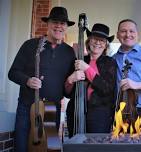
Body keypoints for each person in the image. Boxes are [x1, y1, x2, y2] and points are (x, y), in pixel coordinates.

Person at [8, 7, 76, 152]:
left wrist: (71, 81)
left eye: (63, 23)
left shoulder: (69, 52)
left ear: (66, 27)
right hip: (27, 107)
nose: (59, 26)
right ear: (48, 24)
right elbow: (12, 73)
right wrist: (27, 80)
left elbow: (68, 90)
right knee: (21, 146)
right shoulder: (30, 45)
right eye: (55, 22)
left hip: (53, 110)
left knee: (48, 149)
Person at [65, 23, 117, 137]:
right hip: (76, 111)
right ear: (89, 41)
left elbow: (106, 88)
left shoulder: (110, 62)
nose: (98, 43)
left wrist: (87, 68)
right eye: (94, 39)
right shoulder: (78, 60)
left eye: (102, 40)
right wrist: (70, 79)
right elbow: (67, 93)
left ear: (105, 45)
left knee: (95, 146)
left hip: (100, 114)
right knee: (75, 146)